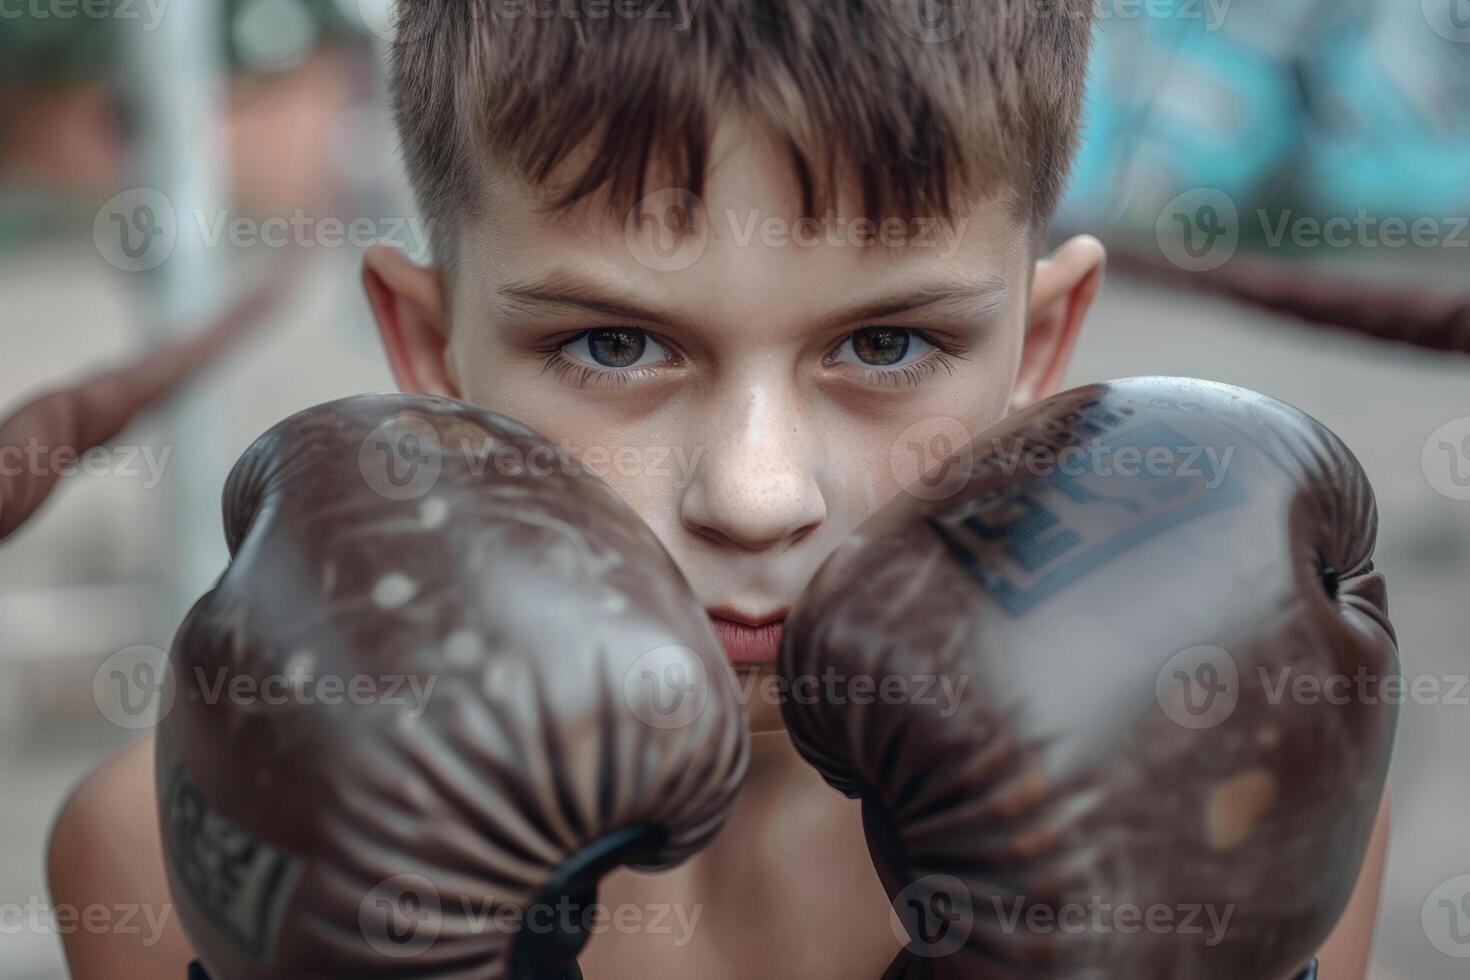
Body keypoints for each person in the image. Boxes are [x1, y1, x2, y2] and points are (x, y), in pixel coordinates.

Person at [47, 3, 1391, 977]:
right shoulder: (157, 855)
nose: (754, 498)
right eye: (612, 345)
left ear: (1039, 349)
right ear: (427, 350)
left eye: (885, 345)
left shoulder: (1244, 795)